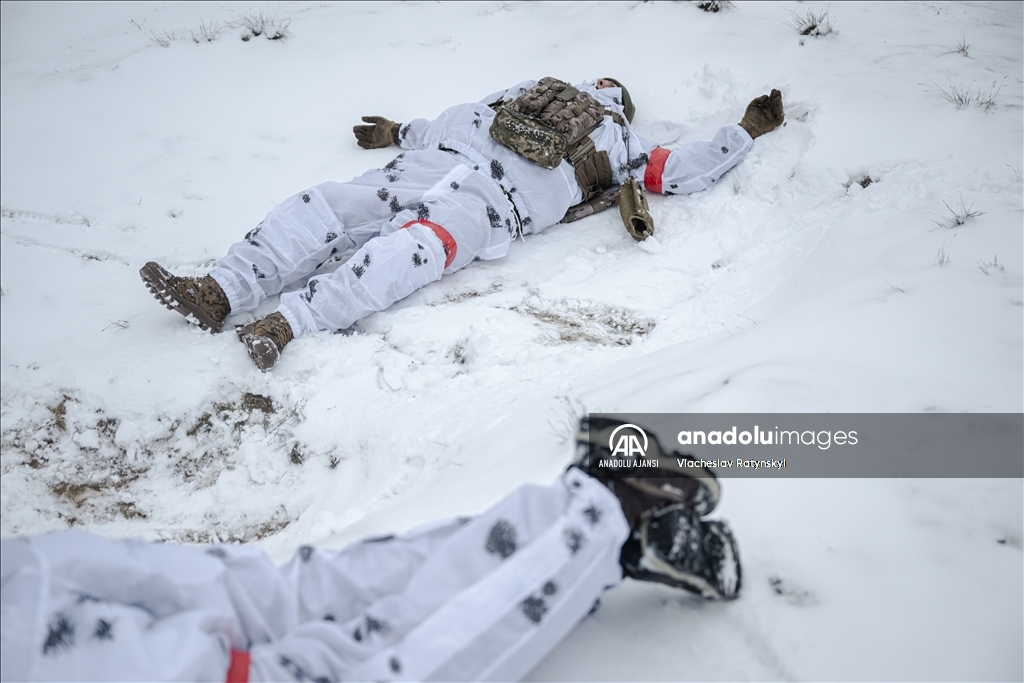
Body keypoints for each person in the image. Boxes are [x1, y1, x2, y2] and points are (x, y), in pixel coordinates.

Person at [0, 419, 740, 682]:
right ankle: (583, 527)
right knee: (307, 606)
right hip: (42, 597)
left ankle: (600, 518)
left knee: (357, 643)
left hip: (43, 628)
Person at [140, 79, 784, 370]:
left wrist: (745, 130)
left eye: (610, 89)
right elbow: (466, 116)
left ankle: (285, 323)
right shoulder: (534, 93)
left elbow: (682, 169)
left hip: (486, 206)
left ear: (618, 102)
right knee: (329, 206)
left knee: (402, 247)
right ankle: (220, 291)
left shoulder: (623, 144)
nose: (601, 90)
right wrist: (398, 133)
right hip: (437, 169)